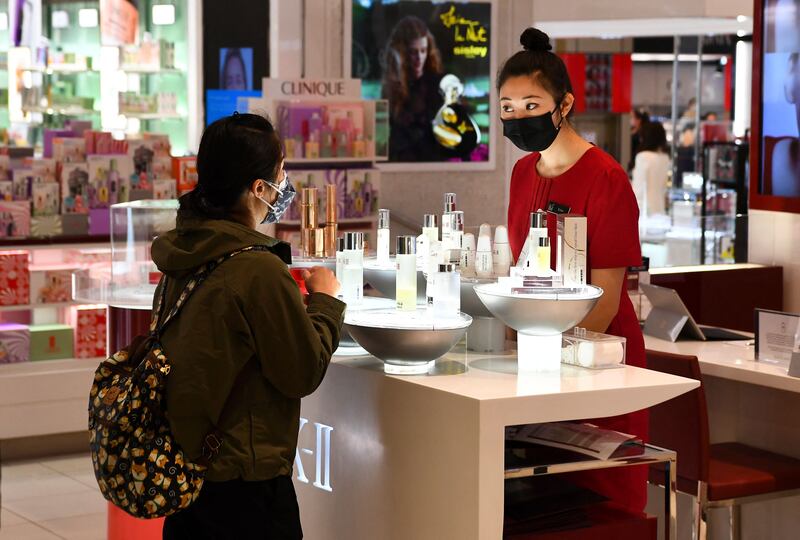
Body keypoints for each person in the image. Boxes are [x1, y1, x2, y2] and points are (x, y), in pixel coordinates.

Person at [154, 113, 345, 539]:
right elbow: (301, 371)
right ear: (259, 188)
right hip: (248, 483)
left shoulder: (182, 253)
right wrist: (326, 302)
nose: (285, 182)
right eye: (280, 172)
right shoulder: (257, 269)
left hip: (191, 473)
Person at [499, 28, 647, 512]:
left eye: (530, 104)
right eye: (507, 107)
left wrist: (549, 361)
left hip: (597, 358)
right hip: (540, 355)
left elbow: (605, 295)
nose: (519, 117)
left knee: (598, 498)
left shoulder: (604, 177)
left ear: (564, 104)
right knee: (537, 496)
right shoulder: (524, 173)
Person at [382, 16, 444, 161]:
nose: (419, 58)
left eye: (423, 51)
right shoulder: (391, 87)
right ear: (401, 54)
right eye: (413, 52)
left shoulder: (436, 84)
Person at [632, 121, 671, 219]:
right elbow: (663, 187)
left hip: (644, 213)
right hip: (660, 210)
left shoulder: (643, 157)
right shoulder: (665, 158)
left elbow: (639, 190)